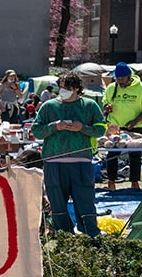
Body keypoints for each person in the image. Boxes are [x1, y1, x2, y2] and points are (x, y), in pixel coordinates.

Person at [31, 71, 107, 237]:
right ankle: (63, 237)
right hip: (53, 162)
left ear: (75, 88)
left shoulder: (89, 106)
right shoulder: (48, 106)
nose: (61, 90)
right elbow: (36, 131)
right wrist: (54, 126)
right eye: (60, 87)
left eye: (65, 87)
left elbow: (101, 129)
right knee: (57, 204)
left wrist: (83, 128)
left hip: (81, 162)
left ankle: (91, 236)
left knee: (85, 202)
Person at [102, 61, 142, 190]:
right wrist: (107, 108)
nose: (120, 81)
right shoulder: (112, 88)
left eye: (122, 78)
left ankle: (135, 182)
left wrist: (135, 122)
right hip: (115, 127)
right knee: (112, 153)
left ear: (129, 76)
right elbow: (105, 102)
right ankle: (111, 181)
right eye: (118, 78)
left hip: (135, 127)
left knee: (135, 154)